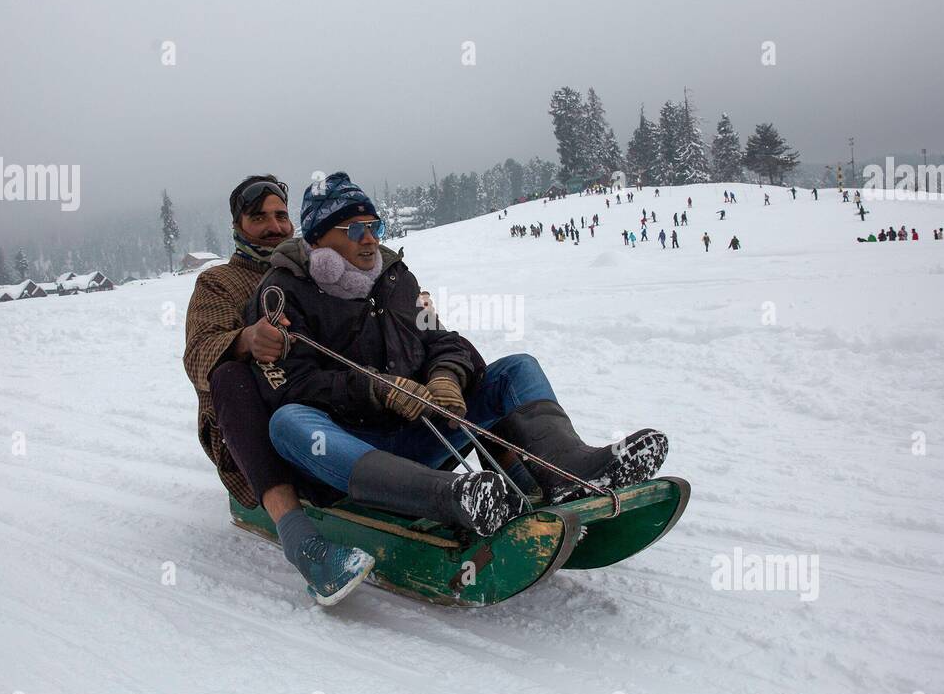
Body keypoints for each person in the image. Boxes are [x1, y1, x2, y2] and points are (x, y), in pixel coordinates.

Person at [249, 172, 668, 540]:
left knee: (516, 369)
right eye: (355, 229)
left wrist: (446, 375)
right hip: (349, 453)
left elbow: (442, 339)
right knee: (288, 422)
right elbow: (287, 387)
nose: (371, 239)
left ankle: (570, 471)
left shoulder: (395, 278)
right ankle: (452, 499)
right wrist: (378, 390)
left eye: (374, 225)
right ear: (320, 237)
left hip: (420, 436)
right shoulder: (283, 292)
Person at [183, 173, 371, 605]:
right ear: (238, 225)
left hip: (327, 409)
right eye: (259, 217)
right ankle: (304, 544)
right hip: (263, 430)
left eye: (281, 215)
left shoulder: (318, 266)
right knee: (228, 374)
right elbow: (197, 354)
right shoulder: (219, 284)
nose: (275, 226)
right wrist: (244, 341)